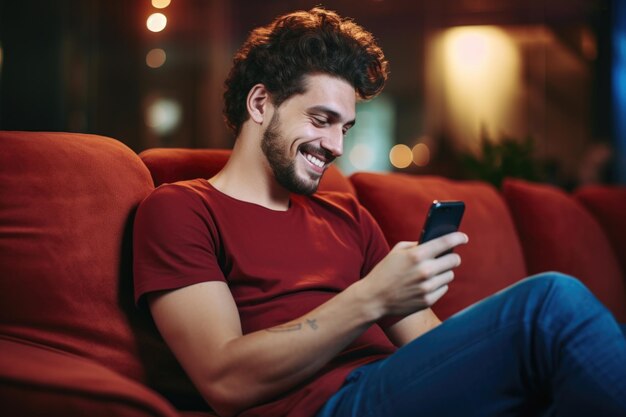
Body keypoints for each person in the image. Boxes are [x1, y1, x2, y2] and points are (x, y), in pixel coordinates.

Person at [133, 7, 626, 417]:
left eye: (345, 127)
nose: (335, 145)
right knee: (548, 303)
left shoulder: (346, 217)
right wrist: (372, 297)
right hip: (330, 405)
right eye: (321, 120)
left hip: (399, 386)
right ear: (260, 102)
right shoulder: (181, 209)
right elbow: (224, 380)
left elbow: (431, 347)